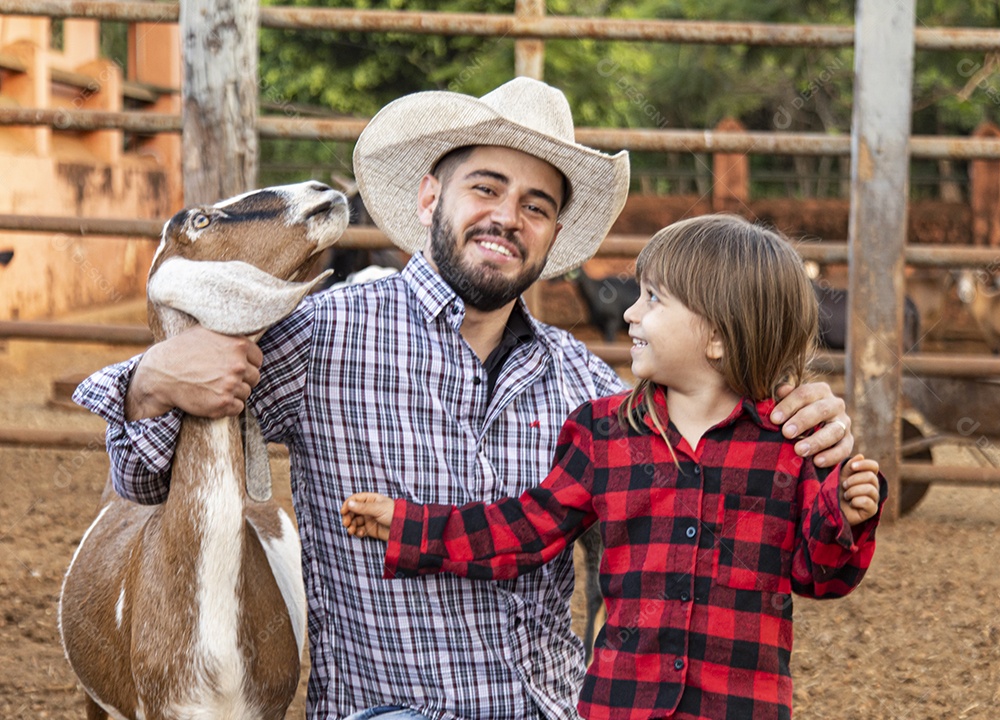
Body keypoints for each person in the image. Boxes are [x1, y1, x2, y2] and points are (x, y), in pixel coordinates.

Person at [74, 79, 855, 720]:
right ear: (428, 197)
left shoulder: (587, 386)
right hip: (394, 712)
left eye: (537, 206)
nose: (508, 218)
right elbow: (146, 480)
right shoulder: (321, 338)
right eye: (486, 187)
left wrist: (792, 413)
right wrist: (149, 381)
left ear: (552, 235)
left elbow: (695, 490)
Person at [341, 214, 886, 720]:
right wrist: (412, 526)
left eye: (654, 299)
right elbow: (523, 531)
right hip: (620, 706)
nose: (630, 312)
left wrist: (847, 516)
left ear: (718, 336)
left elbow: (820, 577)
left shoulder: (793, 445)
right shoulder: (604, 434)